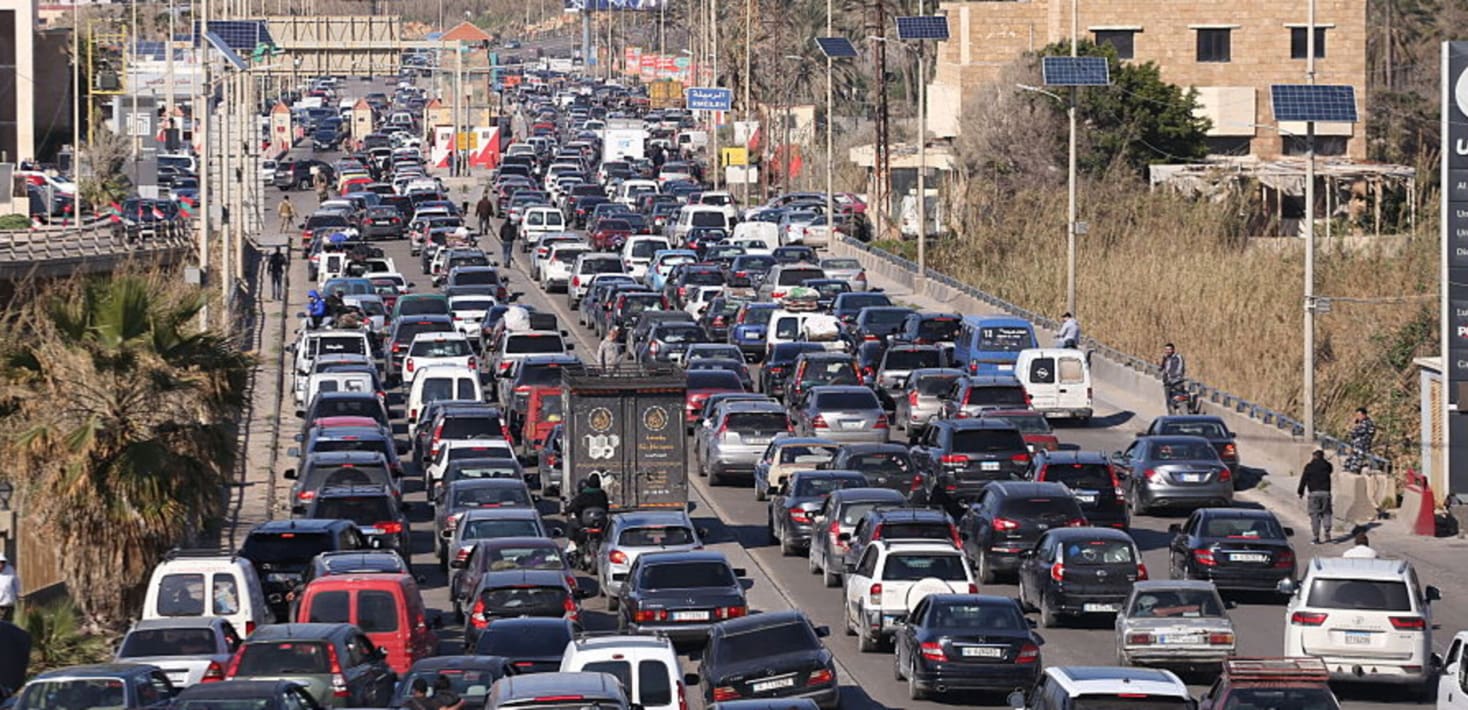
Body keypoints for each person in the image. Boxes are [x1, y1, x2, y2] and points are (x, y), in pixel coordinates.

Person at [565, 473, 610, 552]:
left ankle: (572, 544)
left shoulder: (583, 495)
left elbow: (574, 507)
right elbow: (606, 507)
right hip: (601, 523)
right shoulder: (602, 494)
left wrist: (567, 510)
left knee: (571, 524)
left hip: (584, 523)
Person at [1298, 449, 1334, 544]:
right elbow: (1331, 470)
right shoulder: (1327, 466)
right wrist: (1324, 461)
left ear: (1314, 456)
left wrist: (1300, 491)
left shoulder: (1309, 466)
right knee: (1327, 513)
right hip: (1326, 493)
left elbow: (1304, 479)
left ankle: (1316, 536)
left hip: (1313, 493)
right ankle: (1327, 532)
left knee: (1315, 515)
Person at [1345, 407, 1377, 474]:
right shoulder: (1360, 423)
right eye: (1356, 415)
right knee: (1348, 464)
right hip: (1355, 447)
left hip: (1362, 447)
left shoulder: (1368, 423)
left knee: (1356, 465)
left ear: (1364, 415)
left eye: (1359, 415)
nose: (1357, 417)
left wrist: (1352, 430)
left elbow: (1356, 433)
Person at [1161, 343, 1187, 410]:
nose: (1167, 351)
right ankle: (1171, 414)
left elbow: (1180, 368)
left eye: (1169, 349)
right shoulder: (1166, 358)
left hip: (1177, 381)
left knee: (1179, 396)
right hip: (1167, 382)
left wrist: (1173, 375)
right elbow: (1163, 368)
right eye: (1166, 349)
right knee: (1168, 401)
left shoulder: (1178, 357)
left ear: (1173, 350)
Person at [0, 553, 18, 622]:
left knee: (8, 622)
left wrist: (17, 593)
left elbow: (16, 582)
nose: (1, 565)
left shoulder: (10, 569)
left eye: (2, 563)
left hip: (9, 603)